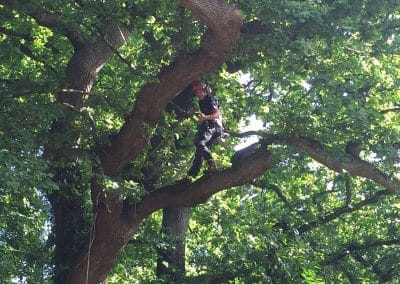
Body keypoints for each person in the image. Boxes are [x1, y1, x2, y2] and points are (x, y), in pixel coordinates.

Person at [185, 81, 223, 180]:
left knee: (199, 142)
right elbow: (205, 116)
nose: (198, 94)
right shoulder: (201, 102)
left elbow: (217, 114)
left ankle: (212, 164)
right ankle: (190, 177)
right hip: (209, 126)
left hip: (214, 126)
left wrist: (205, 117)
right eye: (196, 92)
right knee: (199, 152)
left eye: (200, 91)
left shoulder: (209, 99)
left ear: (205, 91)